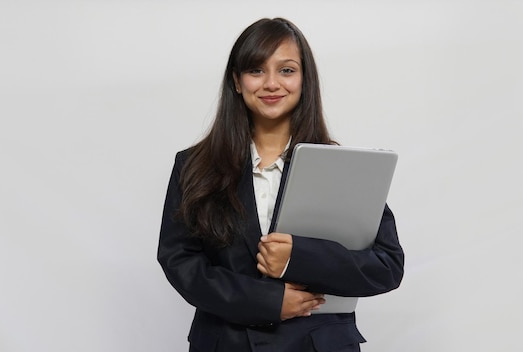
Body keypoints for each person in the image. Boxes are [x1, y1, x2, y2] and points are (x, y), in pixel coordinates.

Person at [158, 17, 404, 352]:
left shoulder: (343, 168)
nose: (272, 83)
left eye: (286, 70)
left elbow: (387, 266)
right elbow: (180, 262)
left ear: (305, 79)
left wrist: (297, 258)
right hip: (227, 343)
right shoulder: (195, 165)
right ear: (237, 81)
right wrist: (268, 301)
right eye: (256, 70)